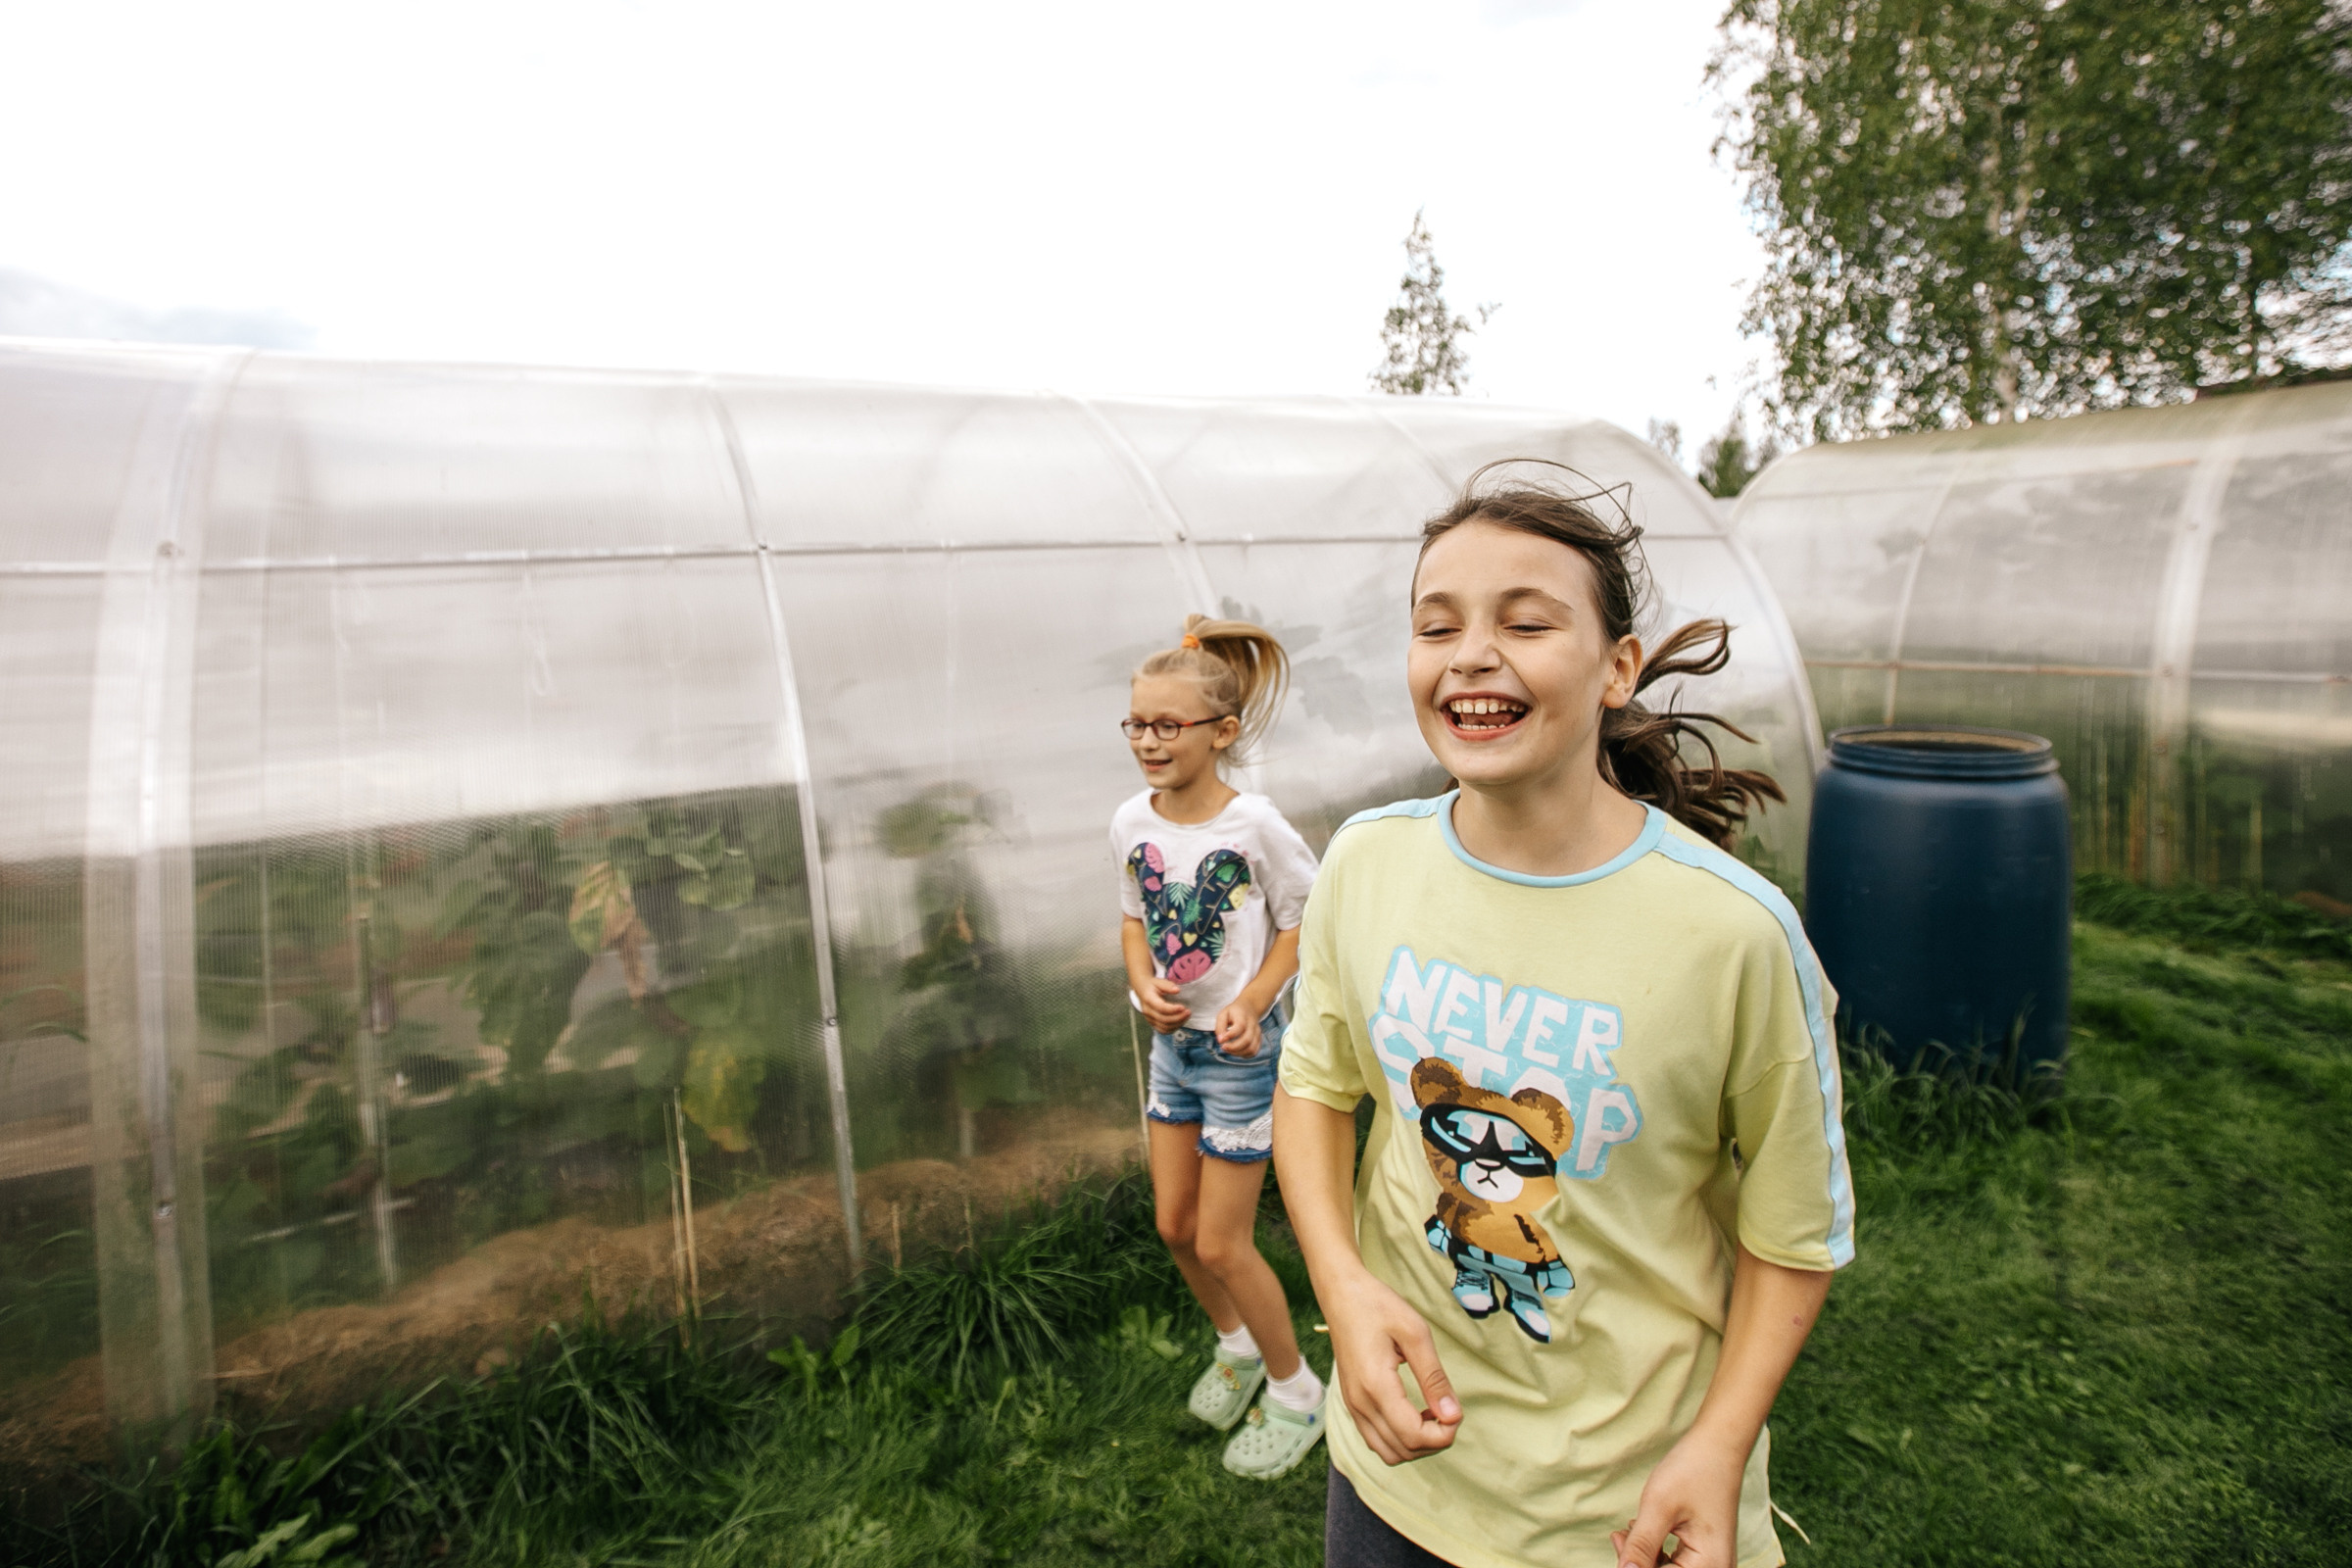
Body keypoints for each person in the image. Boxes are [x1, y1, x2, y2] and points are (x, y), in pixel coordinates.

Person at [1272, 466, 1855, 1568]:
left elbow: (1795, 1236)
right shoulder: (1364, 862)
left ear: (1617, 668)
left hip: (1625, 1514)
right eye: (1436, 625)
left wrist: (1719, 1448)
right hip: (1394, 1466)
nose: (1470, 654)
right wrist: (1342, 1289)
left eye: (1525, 622)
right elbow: (1312, 1086)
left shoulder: (1737, 936)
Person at [1113, 612, 1328, 1479]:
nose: (1148, 742)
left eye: (1168, 726)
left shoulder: (1256, 827)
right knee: (1173, 1225)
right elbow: (1134, 919)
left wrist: (1254, 998)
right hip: (1173, 1053)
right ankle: (1236, 1343)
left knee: (1220, 1243)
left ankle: (1297, 1390)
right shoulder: (1131, 821)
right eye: (1137, 724)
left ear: (1222, 732)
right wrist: (1143, 984)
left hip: (1241, 1058)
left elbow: (1307, 919)